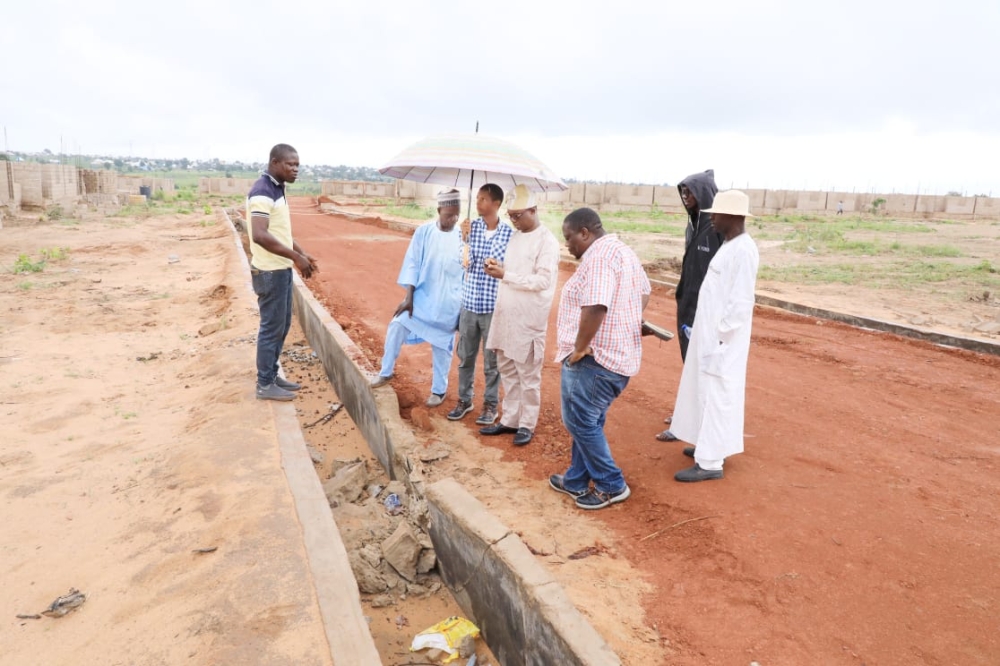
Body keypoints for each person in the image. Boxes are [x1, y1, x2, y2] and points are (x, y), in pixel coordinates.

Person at [548, 207, 651, 510]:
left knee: (580, 421)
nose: (567, 245)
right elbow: (644, 291)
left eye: (569, 238)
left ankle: (611, 484)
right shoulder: (621, 252)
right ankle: (577, 480)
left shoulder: (599, 258)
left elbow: (595, 306)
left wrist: (580, 347)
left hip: (597, 359)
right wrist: (630, 316)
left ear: (585, 232)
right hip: (617, 355)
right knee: (587, 420)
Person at [670, 190, 760, 482]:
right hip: (710, 335)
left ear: (733, 217)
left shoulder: (744, 250)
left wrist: (720, 337)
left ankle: (710, 462)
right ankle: (705, 443)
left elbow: (740, 302)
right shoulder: (730, 245)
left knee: (717, 393)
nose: (712, 221)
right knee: (703, 390)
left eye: (716, 215)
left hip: (723, 341)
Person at [479, 184, 560, 446]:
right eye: (510, 216)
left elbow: (542, 282)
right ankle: (510, 420)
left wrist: (506, 275)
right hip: (507, 314)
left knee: (528, 375)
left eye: (518, 216)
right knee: (508, 370)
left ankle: (527, 424)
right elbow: (514, 271)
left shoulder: (547, 241)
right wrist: (498, 267)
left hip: (528, 318)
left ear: (533, 211)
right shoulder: (515, 236)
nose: (513, 221)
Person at [370, 189, 464, 407]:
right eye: (449, 214)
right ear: (439, 210)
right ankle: (386, 371)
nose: (453, 219)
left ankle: (438, 391)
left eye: (456, 215)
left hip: (449, 304)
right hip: (422, 299)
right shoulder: (424, 232)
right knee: (397, 325)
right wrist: (408, 297)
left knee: (443, 347)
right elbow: (412, 263)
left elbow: (467, 272)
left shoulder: (462, 237)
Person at [247, 143, 318, 402]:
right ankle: (264, 384)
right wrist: (296, 257)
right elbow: (260, 234)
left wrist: (302, 252)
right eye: (290, 164)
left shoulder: (277, 189)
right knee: (271, 328)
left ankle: (272, 375)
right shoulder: (263, 192)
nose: (295, 169)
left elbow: (280, 233)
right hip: (269, 271)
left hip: (280, 269)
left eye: (298, 165)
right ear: (275, 162)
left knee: (282, 325)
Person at [657, 169, 722, 441]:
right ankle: (688, 414)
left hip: (707, 309)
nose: (686, 197)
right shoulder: (693, 223)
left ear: (704, 194)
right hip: (688, 304)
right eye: (683, 192)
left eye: (690, 191)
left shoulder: (717, 227)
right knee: (689, 362)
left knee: (705, 364)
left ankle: (703, 419)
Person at [447, 183, 512, 426]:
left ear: (496, 204)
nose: (478, 203)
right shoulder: (468, 229)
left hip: (494, 307)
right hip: (470, 303)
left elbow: (507, 268)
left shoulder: (508, 234)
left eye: (483, 199)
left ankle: (490, 404)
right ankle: (465, 399)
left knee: (492, 361)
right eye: (477, 198)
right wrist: (464, 239)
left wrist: (500, 268)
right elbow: (464, 264)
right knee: (465, 356)